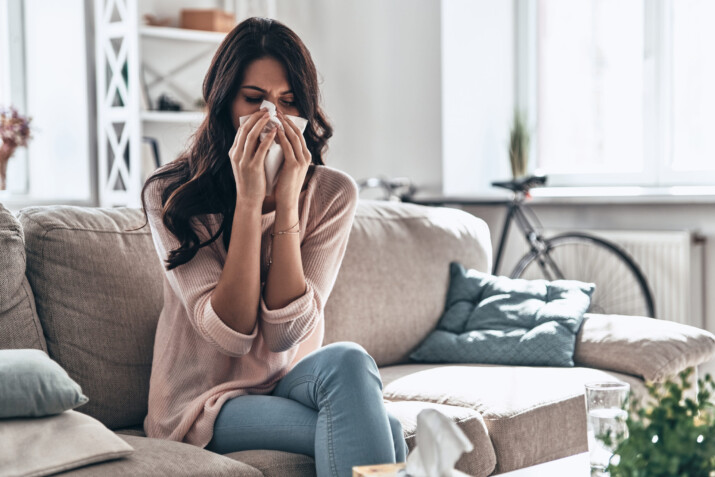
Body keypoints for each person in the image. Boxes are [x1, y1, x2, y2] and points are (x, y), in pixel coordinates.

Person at [135, 16, 408, 477]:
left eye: (288, 102)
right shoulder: (170, 194)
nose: (272, 118)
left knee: (350, 360)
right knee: (389, 433)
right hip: (203, 403)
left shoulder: (331, 194)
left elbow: (285, 334)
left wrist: (285, 201)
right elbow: (231, 332)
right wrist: (247, 198)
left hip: (284, 382)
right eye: (254, 100)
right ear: (222, 102)